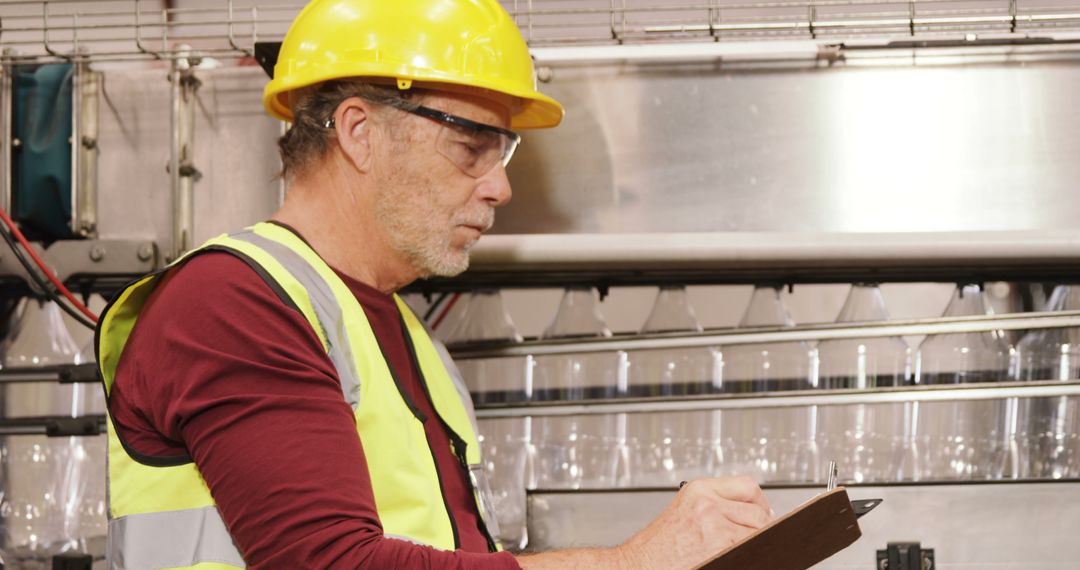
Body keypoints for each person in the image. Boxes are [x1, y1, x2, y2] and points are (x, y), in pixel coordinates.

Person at [95, 1, 774, 568]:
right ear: (359, 132)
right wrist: (634, 562)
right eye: (470, 145)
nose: (500, 186)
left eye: (503, 153)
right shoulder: (231, 303)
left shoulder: (405, 338)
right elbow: (328, 564)